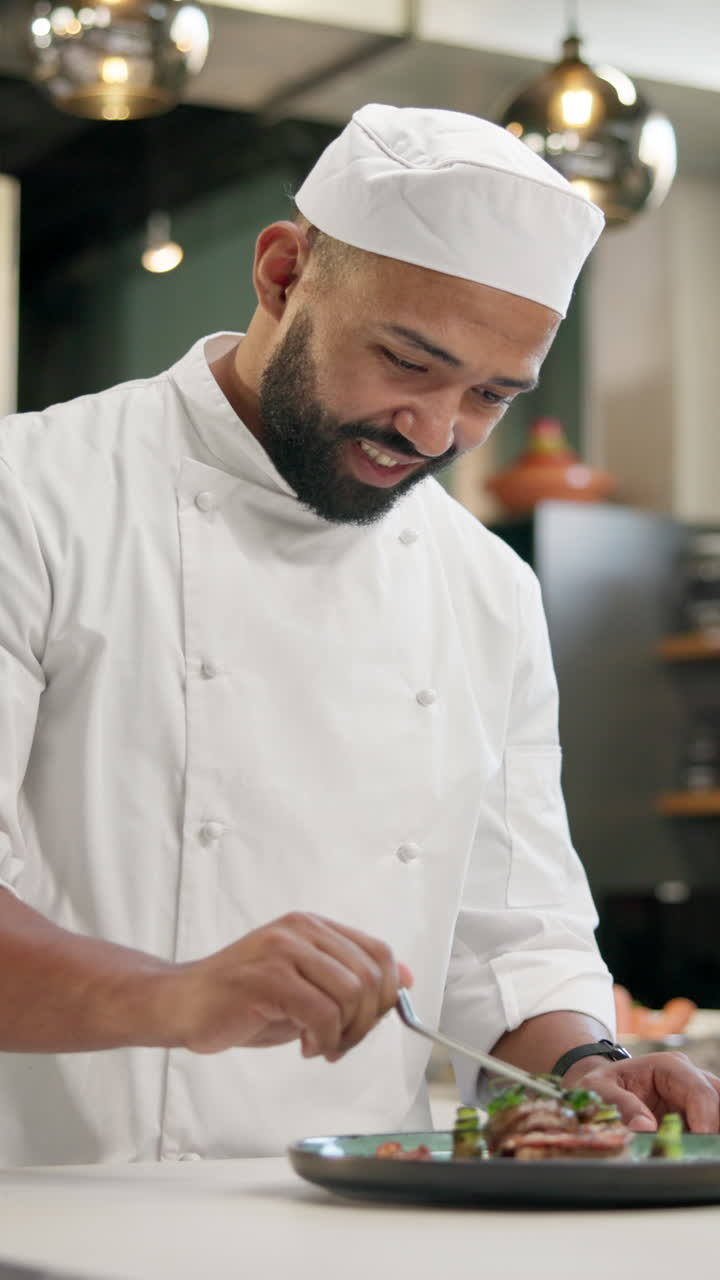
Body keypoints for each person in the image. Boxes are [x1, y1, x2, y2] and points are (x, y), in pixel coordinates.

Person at [0, 103, 717, 1166]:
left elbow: (511, 934)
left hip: (366, 1210)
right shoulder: (33, 496)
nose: (434, 432)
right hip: (53, 1204)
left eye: (490, 395)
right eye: (407, 362)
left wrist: (582, 1066)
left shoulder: (486, 586)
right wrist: (176, 996)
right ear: (283, 274)